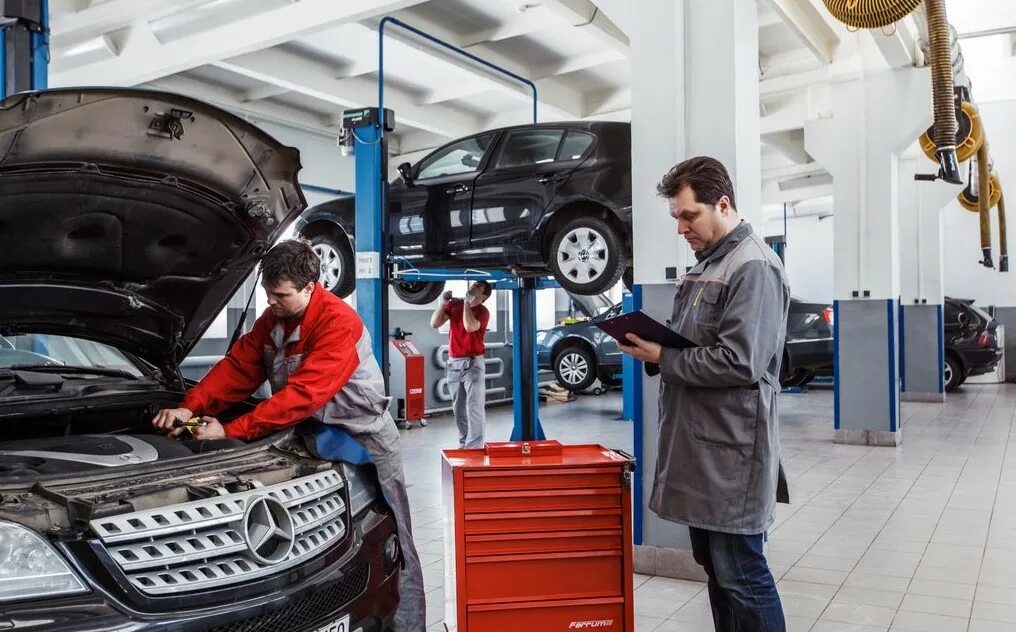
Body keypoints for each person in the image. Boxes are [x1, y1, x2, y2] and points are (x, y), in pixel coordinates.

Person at [151, 240, 425, 631]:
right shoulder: (273, 321)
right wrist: (190, 407)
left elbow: (303, 395)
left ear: (312, 287)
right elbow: (239, 369)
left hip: (364, 440)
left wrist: (231, 430)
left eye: (281, 295)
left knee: (394, 542)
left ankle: (406, 626)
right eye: (267, 292)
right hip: (309, 438)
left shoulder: (338, 323)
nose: (272, 301)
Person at [618, 156, 790, 631]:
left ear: (723, 204)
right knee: (717, 570)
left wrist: (662, 357)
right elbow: (692, 341)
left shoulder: (752, 265)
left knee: (742, 573)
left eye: (688, 215)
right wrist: (652, 347)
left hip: (732, 453)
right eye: (675, 217)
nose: (681, 228)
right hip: (701, 449)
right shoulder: (708, 266)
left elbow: (741, 361)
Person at [430, 281, 492, 448]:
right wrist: (443, 303)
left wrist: (466, 303)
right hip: (454, 363)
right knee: (459, 410)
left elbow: (470, 327)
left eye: (478, 286)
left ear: (483, 296)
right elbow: (434, 324)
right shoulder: (454, 304)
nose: (473, 286)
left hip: (473, 364)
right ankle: (465, 443)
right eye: (474, 283)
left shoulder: (483, 312)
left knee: (474, 407)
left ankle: (475, 447)